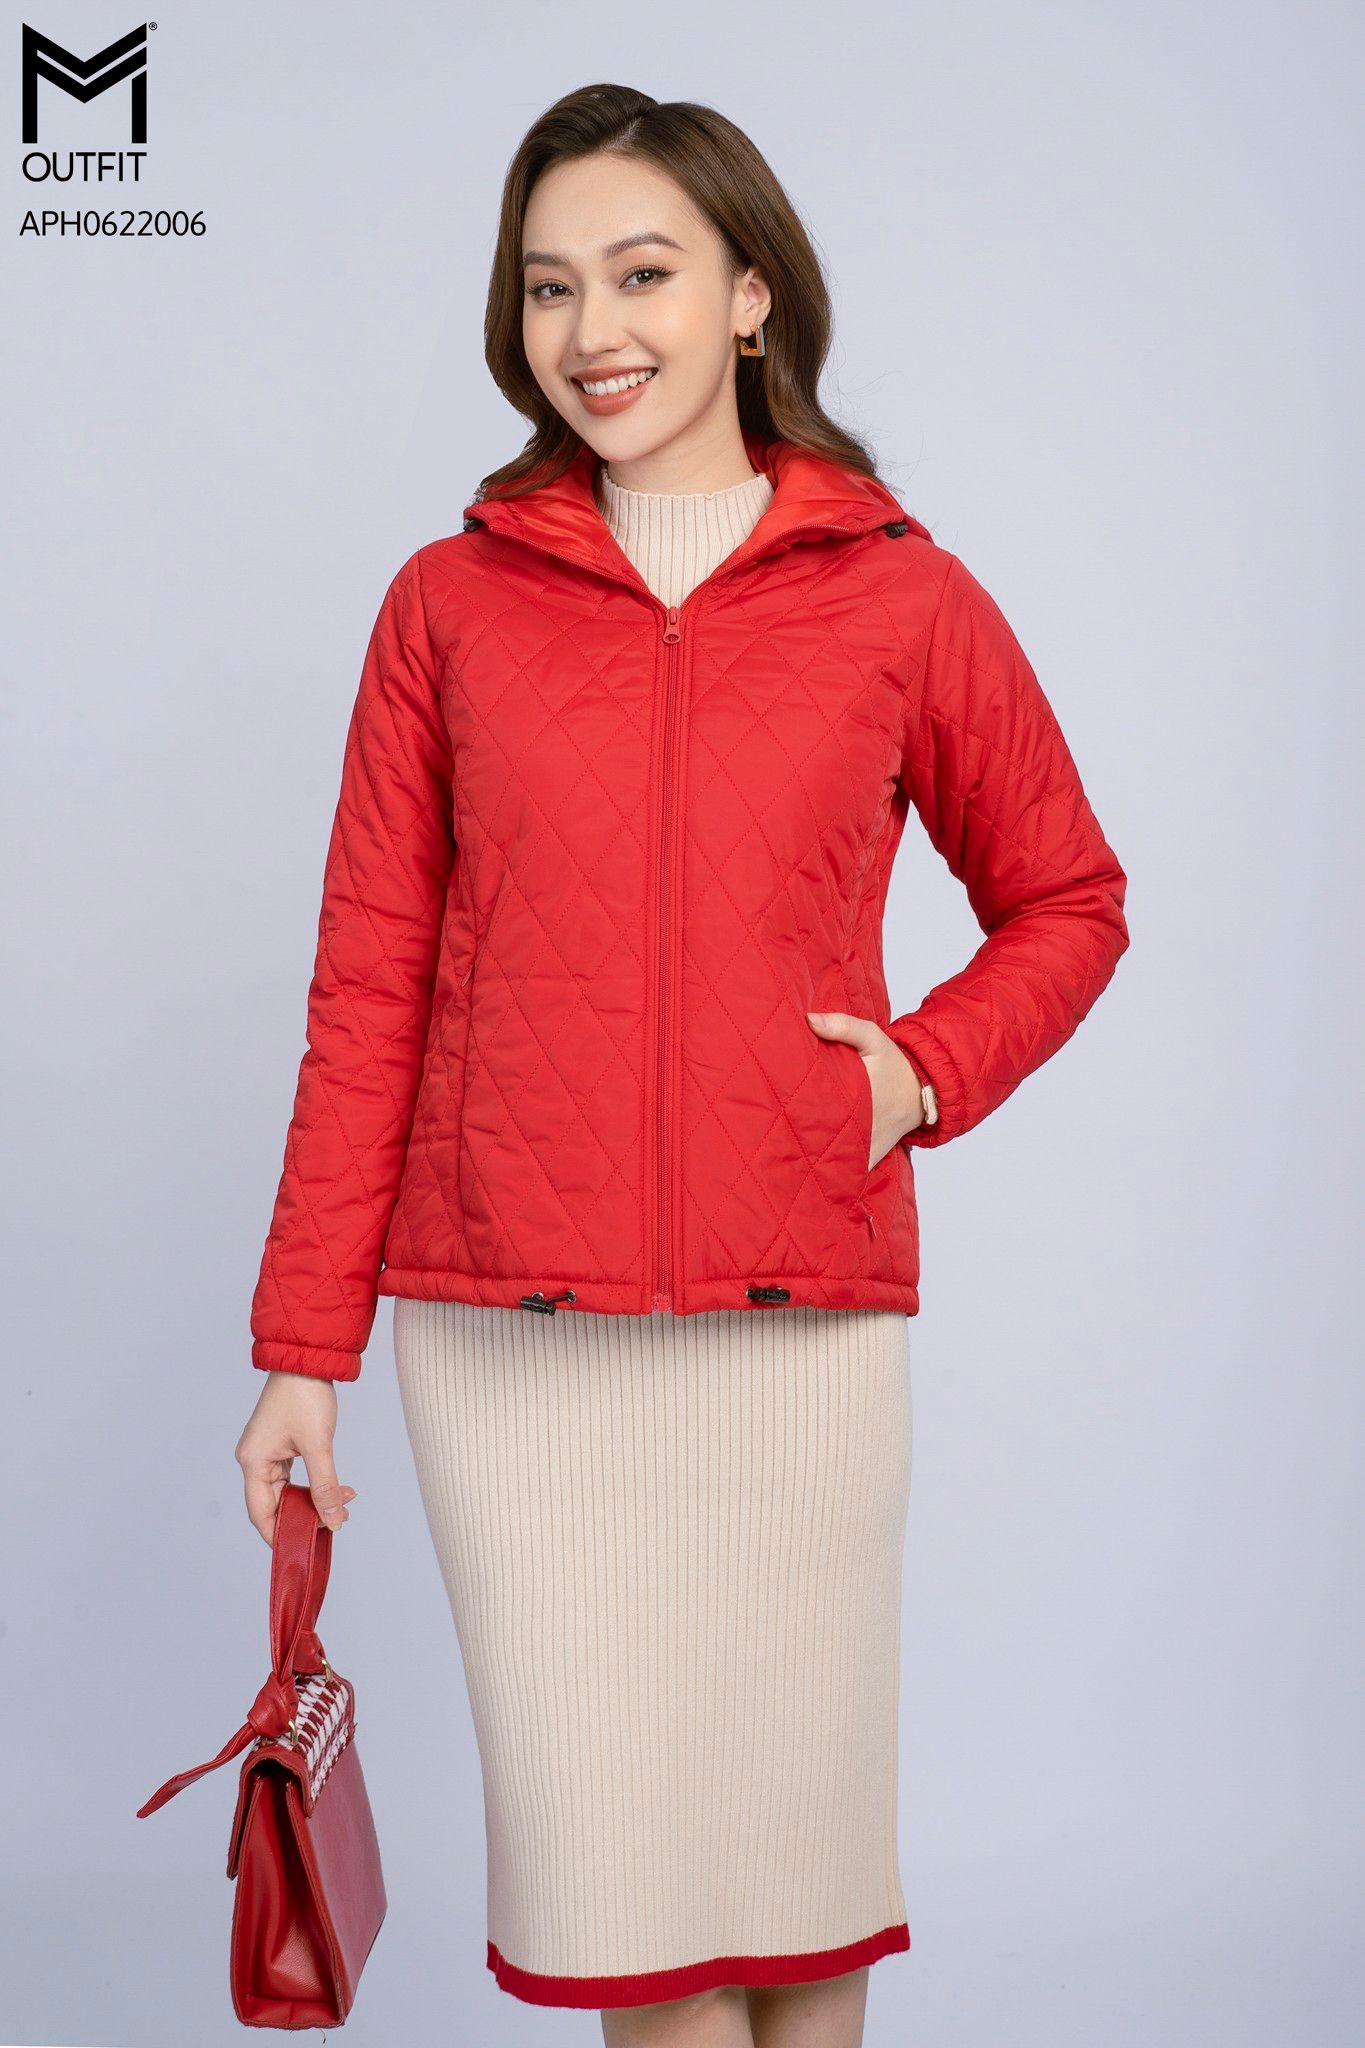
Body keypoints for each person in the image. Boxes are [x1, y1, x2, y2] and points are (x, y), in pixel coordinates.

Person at [235, 82, 1129, 2048]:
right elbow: (368, 985)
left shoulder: (897, 592)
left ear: (748, 294)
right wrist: (302, 1346)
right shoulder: (446, 607)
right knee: (633, 1920)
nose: (592, 328)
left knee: (799, 1910)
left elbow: (1066, 897)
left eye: (640, 273)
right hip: (514, 1346)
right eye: (549, 285)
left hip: (794, 1329)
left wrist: (917, 1072)